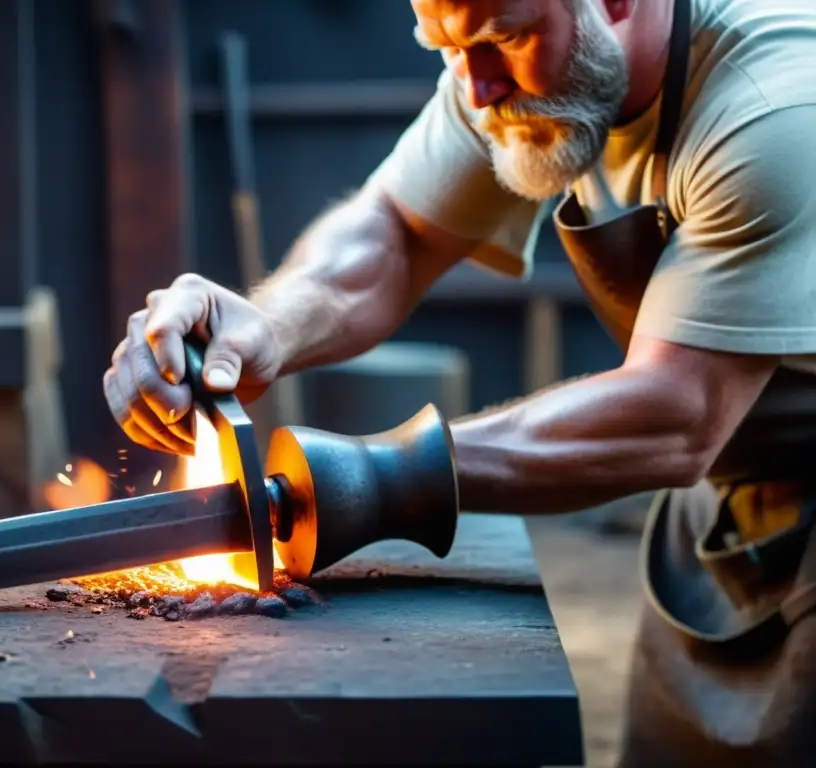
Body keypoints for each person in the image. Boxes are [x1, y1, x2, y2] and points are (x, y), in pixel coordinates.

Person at [104, 0, 816, 763]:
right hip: (723, 517)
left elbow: (676, 414)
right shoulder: (500, 69)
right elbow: (395, 236)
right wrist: (266, 325)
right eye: (445, 46)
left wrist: (377, 476)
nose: (475, 89)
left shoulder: (775, 111)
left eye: (504, 39)